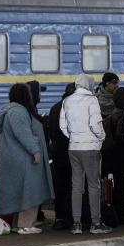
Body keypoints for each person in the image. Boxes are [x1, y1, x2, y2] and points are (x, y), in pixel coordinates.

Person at [0, 84, 53, 234]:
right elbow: (23, 133)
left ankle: (17, 224)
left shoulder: (10, 110)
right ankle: (25, 225)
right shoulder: (19, 112)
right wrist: (35, 151)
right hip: (25, 159)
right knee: (30, 191)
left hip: (14, 157)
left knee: (20, 191)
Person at [60, 75, 110, 236]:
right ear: (89, 84)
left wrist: (74, 137)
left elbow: (63, 125)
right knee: (94, 186)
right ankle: (96, 223)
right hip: (90, 148)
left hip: (73, 147)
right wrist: (101, 137)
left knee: (77, 186)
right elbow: (95, 123)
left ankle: (76, 224)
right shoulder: (91, 100)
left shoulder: (67, 101)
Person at [101, 87, 124, 225]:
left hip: (111, 156)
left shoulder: (113, 112)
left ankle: (116, 214)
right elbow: (121, 136)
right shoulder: (123, 114)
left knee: (114, 187)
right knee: (119, 187)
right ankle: (121, 215)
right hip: (118, 157)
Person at [46, 84, 75, 229]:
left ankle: (59, 218)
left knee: (60, 186)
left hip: (58, 153)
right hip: (74, 153)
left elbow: (51, 131)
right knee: (74, 186)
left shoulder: (55, 108)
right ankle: (72, 217)